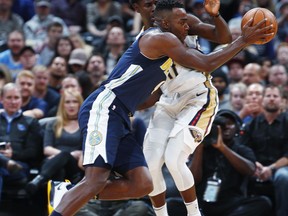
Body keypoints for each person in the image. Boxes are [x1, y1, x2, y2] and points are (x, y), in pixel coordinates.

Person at [50, 0, 274, 215]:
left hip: (129, 111)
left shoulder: (175, 28)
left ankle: (67, 192)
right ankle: (68, 196)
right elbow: (206, 63)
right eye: (148, 4)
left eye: (156, 2)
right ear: (140, 10)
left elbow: (149, 95)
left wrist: (216, 17)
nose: (154, 7)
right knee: (96, 179)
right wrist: (244, 40)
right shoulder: (158, 38)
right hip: (106, 107)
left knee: (142, 184)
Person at [189, 109, 273, 216]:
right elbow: (191, 180)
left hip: (231, 204)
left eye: (230, 123)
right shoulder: (202, 150)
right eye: (221, 124)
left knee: (263, 203)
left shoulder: (243, 150)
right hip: (201, 204)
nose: (226, 127)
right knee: (172, 203)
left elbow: (250, 170)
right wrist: (200, 146)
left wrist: (222, 147)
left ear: (237, 128)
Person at [240, 85, 288, 216]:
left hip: (281, 168)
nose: (272, 99)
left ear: (282, 100)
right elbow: (243, 148)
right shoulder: (252, 124)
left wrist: (271, 168)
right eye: (268, 96)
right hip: (257, 167)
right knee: (240, 172)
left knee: (283, 177)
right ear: (262, 100)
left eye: (275, 96)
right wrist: (255, 165)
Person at [26, 90, 84, 195]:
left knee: (65, 156)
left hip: (73, 165)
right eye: (67, 102)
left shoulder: (85, 125)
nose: (71, 105)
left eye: (74, 102)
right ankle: (57, 207)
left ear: (80, 104)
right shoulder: (53, 123)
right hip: (52, 161)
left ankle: (39, 179)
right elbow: (47, 149)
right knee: (59, 168)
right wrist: (63, 156)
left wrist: (67, 155)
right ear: (62, 105)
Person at [0, 83, 42, 199]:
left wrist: (13, 154)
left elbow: (33, 152)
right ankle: (4, 161)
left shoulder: (30, 122)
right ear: (1, 99)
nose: (13, 101)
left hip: (19, 165)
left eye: (16, 98)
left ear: (21, 100)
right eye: (9, 97)